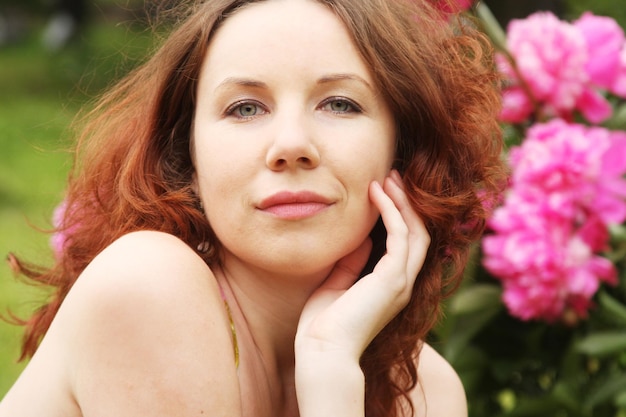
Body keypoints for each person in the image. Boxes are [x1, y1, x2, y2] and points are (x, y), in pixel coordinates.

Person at [0, 0, 505, 415]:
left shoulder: (427, 393)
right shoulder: (150, 286)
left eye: (340, 104)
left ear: (402, 148)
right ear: (187, 156)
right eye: (245, 108)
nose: (290, 144)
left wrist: (329, 367)